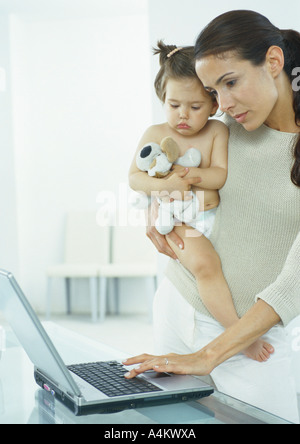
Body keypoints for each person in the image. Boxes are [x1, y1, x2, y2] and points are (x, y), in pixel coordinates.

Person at [124, 10, 300, 424]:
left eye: (231, 82)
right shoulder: (226, 126)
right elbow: (175, 173)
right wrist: (159, 200)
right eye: (213, 90)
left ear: (273, 62)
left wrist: (209, 354)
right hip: (178, 303)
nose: (223, 104)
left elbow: (295, 283)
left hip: (252, 339)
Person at [129, 40, 273, 363]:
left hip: (210, 217)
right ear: (162, 100)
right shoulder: (154, 132)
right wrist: (163, 185)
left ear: (213, 103)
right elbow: (134, 178)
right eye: (173, 104)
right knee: (207, 266)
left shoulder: (217, 132)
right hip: (177, 221)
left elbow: (219, 176)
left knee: (220, 262)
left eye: (194, 107)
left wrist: (191, 176)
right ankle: (237, 332)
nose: (182, 115)